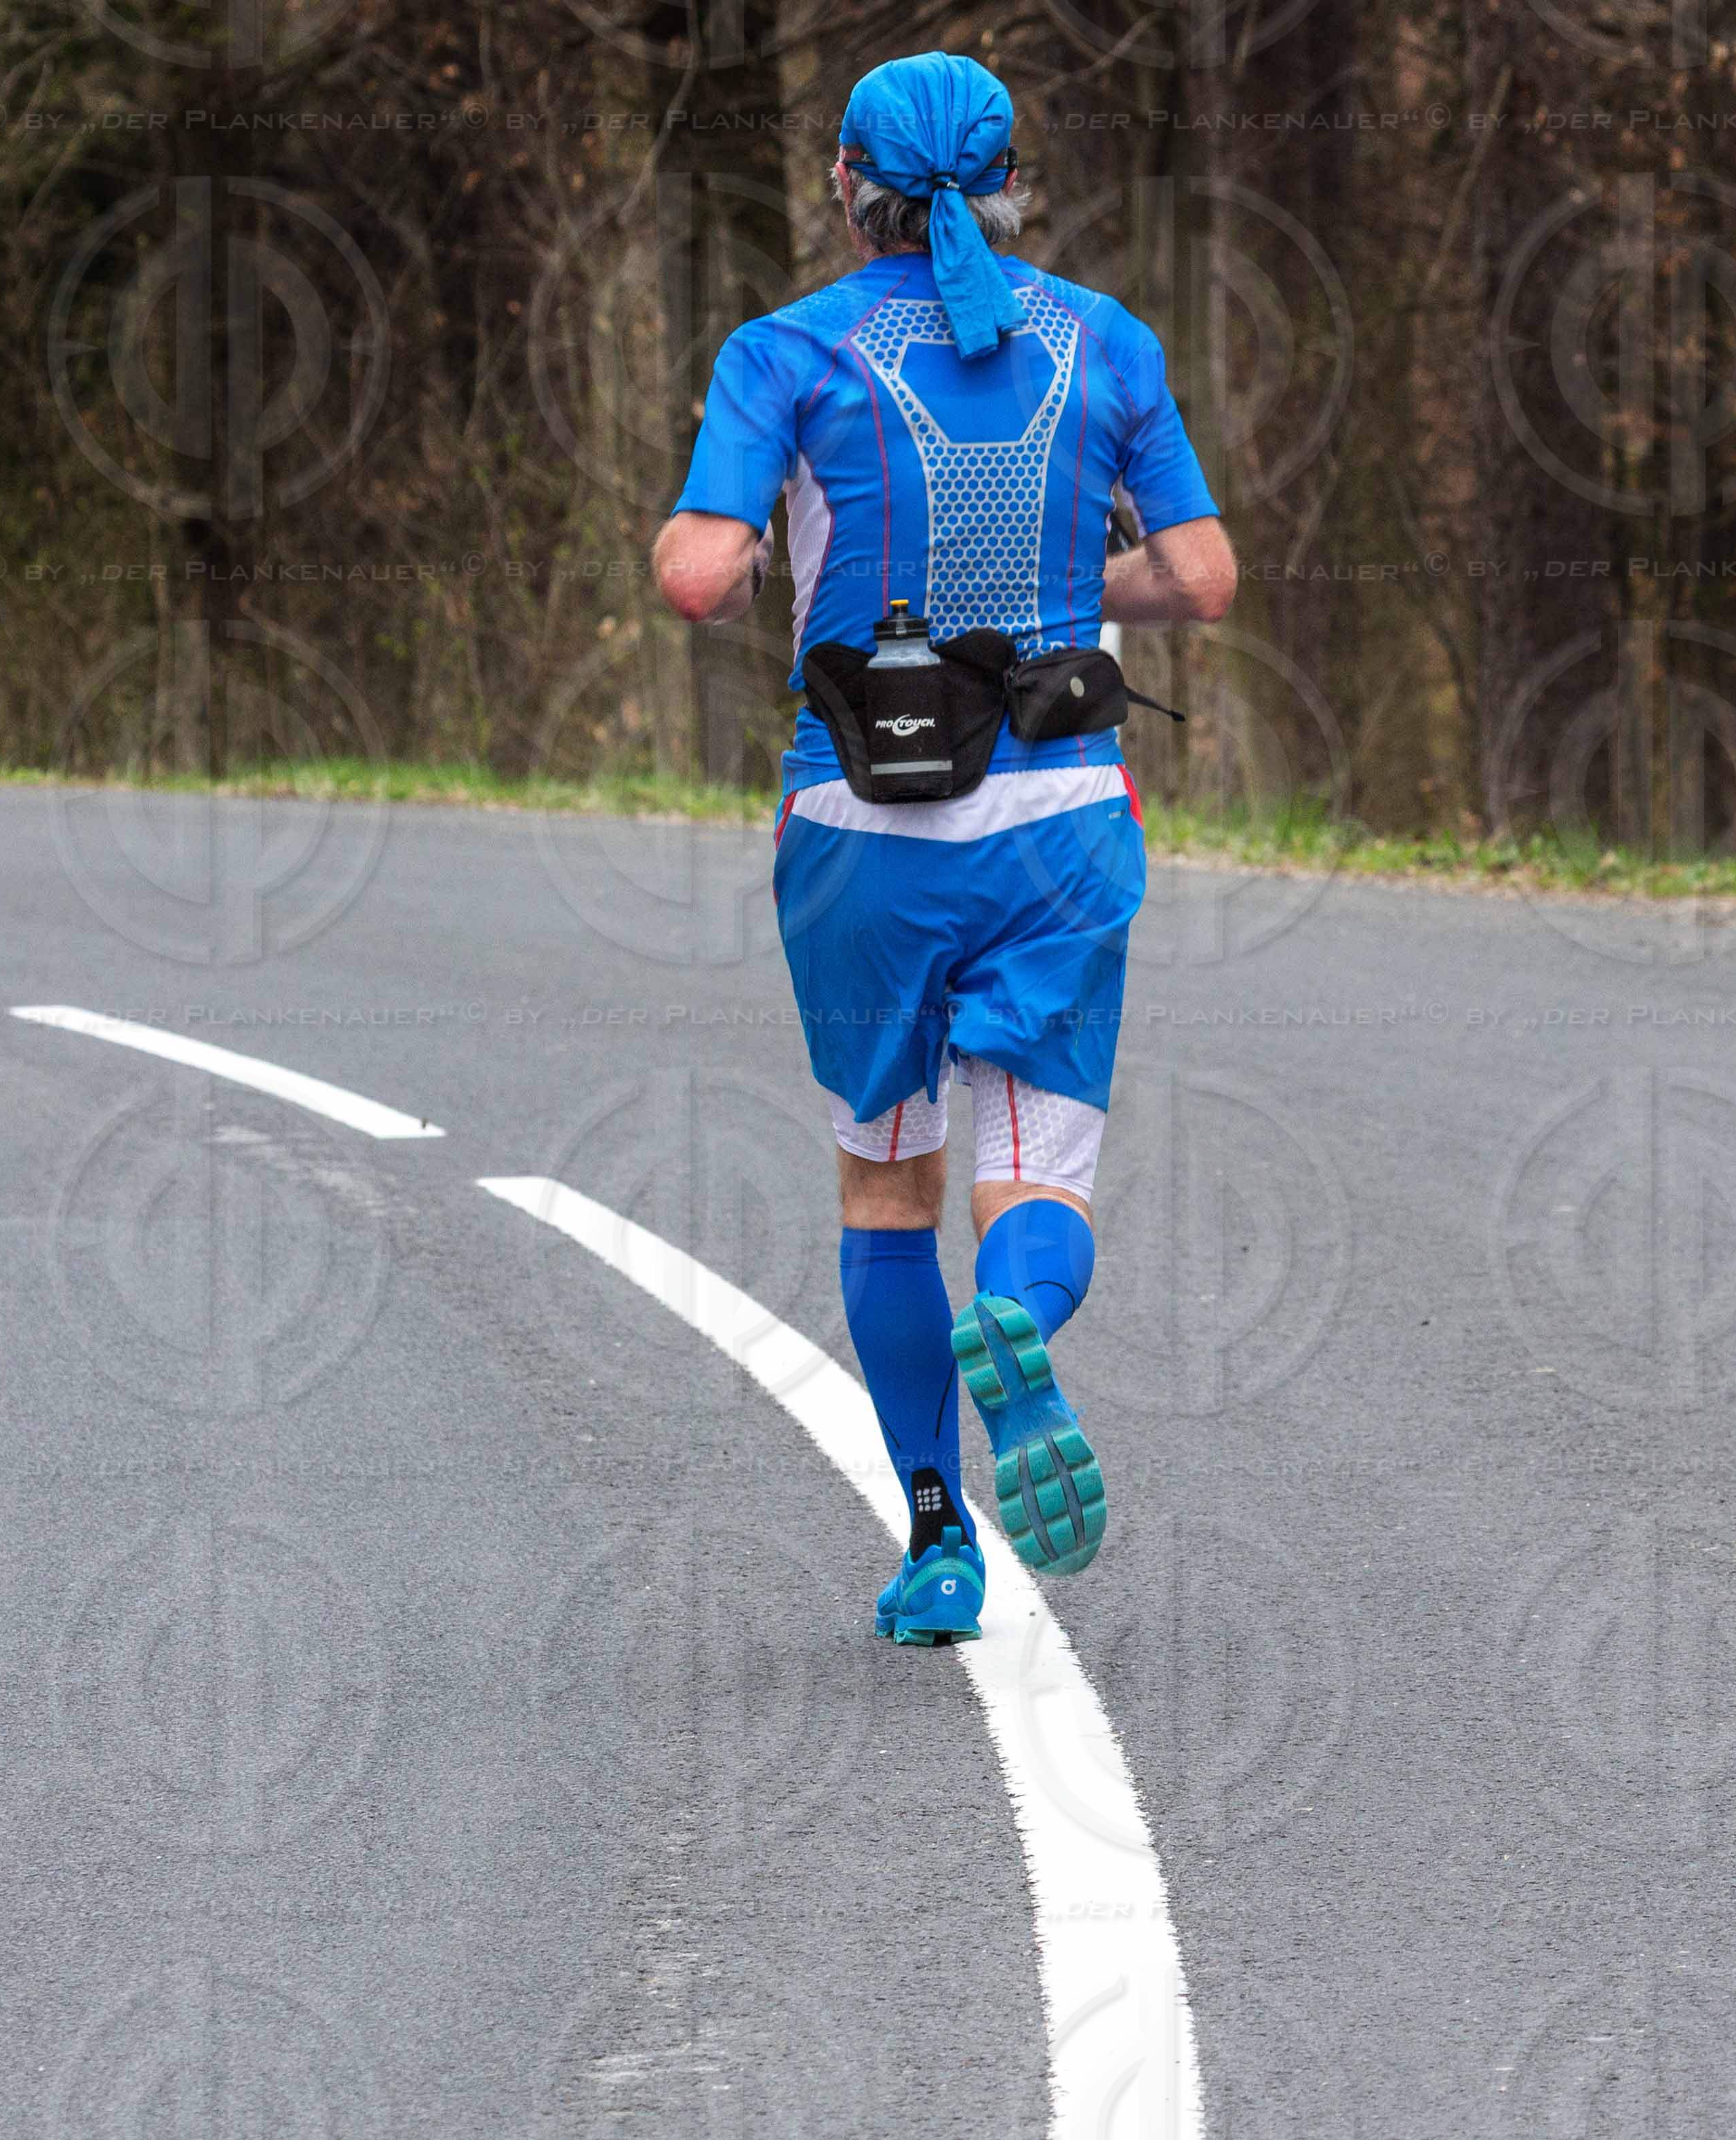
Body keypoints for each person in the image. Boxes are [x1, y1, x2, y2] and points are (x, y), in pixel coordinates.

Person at [651, 50, 1237, 1643]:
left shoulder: (782, 351)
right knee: (1033, 1159)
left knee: (883, 1180)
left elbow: (700, 579)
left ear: (846, 184)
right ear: (1008, 186)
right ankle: (1019, 1318)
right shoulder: (1104, 343)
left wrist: (727, 530)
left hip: (858, 826)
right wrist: (1059, 599)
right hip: (1058, 816)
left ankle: (934, 1543)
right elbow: (1198, 577)